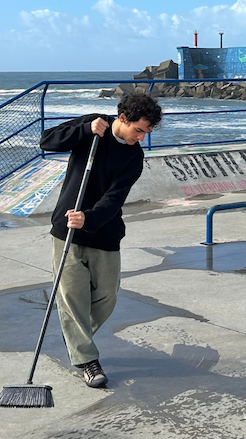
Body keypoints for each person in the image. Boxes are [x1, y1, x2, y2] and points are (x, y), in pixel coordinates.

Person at [38, 92, 162, 389]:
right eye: (139, 130)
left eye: (147, 132)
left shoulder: (134, 156)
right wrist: (84, 130)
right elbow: (47, 140)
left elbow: (115, 198)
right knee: (70, 296)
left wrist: (90, 218)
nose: (142, 137)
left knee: (106, 296)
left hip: (104, 231)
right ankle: (87, 360)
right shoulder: (94, 127)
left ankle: (75, 334)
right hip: (66, 228)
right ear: (123, 119)